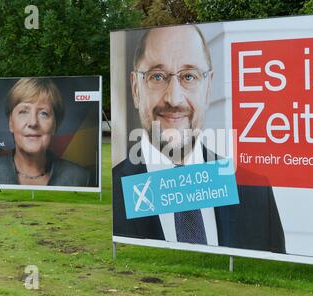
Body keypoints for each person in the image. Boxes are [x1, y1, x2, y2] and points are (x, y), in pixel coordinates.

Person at [113, 25, 286, 253]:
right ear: (136, 89)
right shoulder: (114, 193)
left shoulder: (255, 193)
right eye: (157, 76)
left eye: (188, 76)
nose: (174, 99)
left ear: (207, 88)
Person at [0, 77, 91, 187]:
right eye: (24, 112)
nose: (33, 122)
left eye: (43, 113)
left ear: (55, 125)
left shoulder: (79, 177)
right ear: (10, 123)